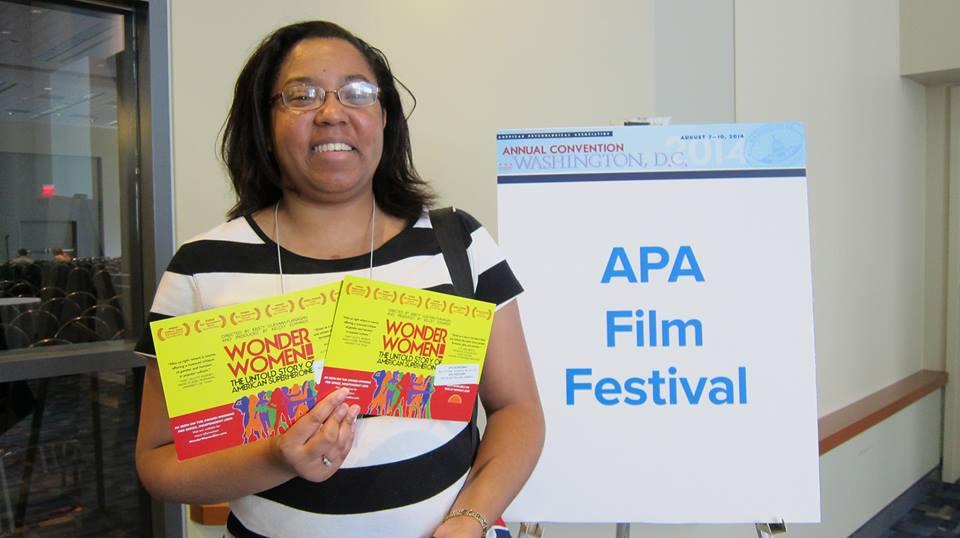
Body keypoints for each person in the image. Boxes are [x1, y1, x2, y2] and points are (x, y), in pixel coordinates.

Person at [135, 21, 544, 538]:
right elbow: (158, 464)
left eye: (357, 92)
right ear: (263, 122)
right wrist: (275, 457)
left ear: (384, 117)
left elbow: (518, 410)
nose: (332, 113)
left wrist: (469, 519)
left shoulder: (456, 244)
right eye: (301, 95)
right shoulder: (200, 265)